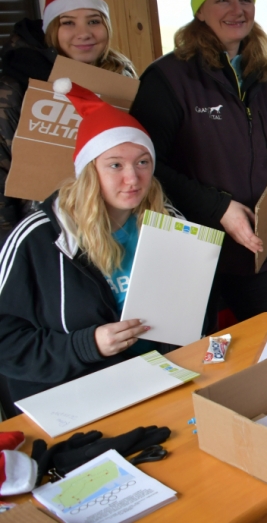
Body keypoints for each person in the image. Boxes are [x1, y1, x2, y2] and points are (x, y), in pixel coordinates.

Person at [131, 0, 267, 331]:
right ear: (199, 10)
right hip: (193, 254)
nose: (236, 10)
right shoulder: (167, 79)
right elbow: (146, 167)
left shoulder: (265, 80)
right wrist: (219, 208)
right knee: (200, 367)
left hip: (256, 254)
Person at [0, 79, 172, 401]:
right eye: (115, 165)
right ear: (90, 171)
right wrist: (86, 345)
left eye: (142, 162)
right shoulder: (38, 239)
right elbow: (7, 344)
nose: (133, 178)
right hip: (73, 397)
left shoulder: (170, 225)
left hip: (157, 379)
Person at [0, 0, 136, 244]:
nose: (83, 33)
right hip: (46, 232)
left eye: (94, 21)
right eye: (68, 23)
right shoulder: (16, 84)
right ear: (52, 29)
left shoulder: (123, 74)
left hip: (115, 226)